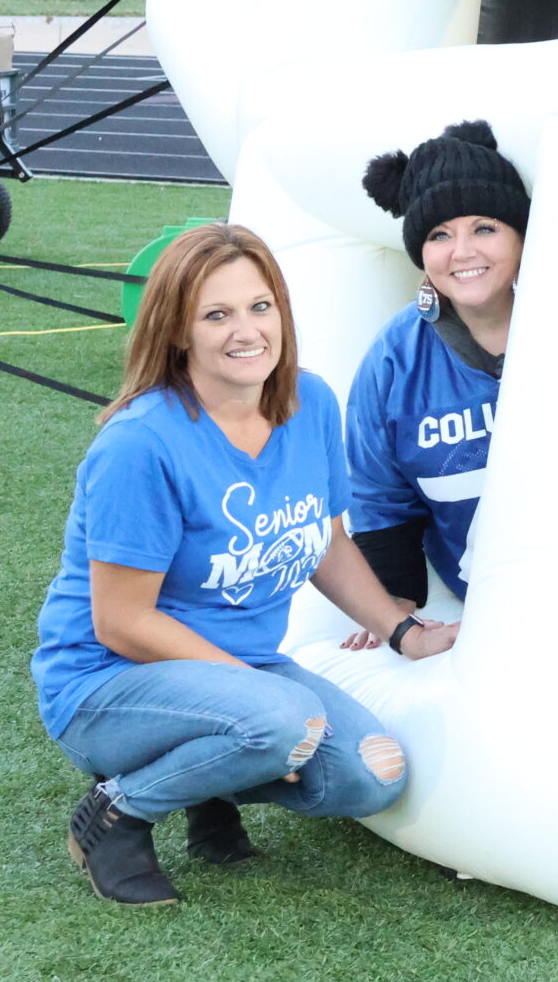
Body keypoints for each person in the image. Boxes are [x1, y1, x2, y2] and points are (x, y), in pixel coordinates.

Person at [32, 223, 459, 905]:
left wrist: (404, 632)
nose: (246, 331)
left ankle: (211, 777)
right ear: (178, 330)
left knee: (372, 774)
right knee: (282, 723)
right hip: (106, 685)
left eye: (260, 307)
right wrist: (258, 704)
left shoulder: (309, 404)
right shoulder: (140, 444)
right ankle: (119, 812)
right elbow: (121, 622)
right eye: (216, 315)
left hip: (245, 674)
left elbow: (325, 541)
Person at [343, 118, 529, 619]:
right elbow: (378, 493)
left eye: (485, 228)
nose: (463, 252)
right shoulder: (394, 357)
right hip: (480, 600)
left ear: (520, 236)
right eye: (440, 234)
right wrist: (394, 600)